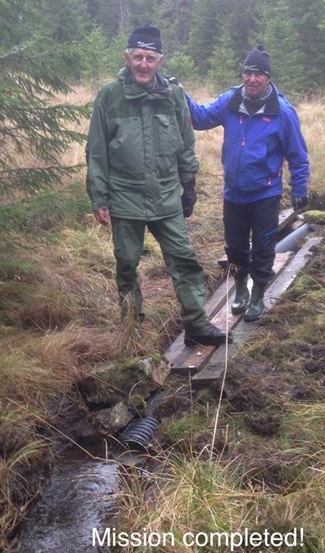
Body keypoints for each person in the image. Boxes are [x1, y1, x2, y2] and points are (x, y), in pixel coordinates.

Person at [85, 23, 229, 347]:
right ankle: (131, 326)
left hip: (165, 195)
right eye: (138, 57)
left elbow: (185, 142)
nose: (143, 64)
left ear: (160, 61)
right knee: (126, 264)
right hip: (124, 196)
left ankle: (196, 323)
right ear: (127, 57)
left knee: (185, 259)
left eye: (150, 58)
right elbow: (96, 151)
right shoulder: (110, 96)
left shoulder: (173, 95)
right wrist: (99, 197)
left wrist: (188, 184)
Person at [185, 45, 310, 322]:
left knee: (264, 248)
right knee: (236, 247)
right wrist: (179, 94)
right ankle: (240, 288)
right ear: (243, 74)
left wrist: (300, 188)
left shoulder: (283, 112)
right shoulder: (231, 101)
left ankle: (258, 295)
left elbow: (298, 155)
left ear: (267, 78)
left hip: (265, 193)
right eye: (248, 73)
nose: (252, 79)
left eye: (259, 74)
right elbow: (200, 118)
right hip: (233, 193)